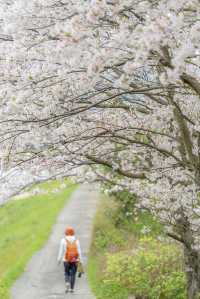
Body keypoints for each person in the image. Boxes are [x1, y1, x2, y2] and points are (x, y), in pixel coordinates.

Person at [57, 227, 82, 293]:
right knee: (73, 274)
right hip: (75, 260)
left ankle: (67, 282)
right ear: (73, 232)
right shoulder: (77, 240)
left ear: (66, 232)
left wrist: (59, 260)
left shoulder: (63, 240)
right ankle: (72, 289)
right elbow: (79, 252)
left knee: (66, 273)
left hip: (66, 260)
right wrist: (81, 261)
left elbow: (61, 251)